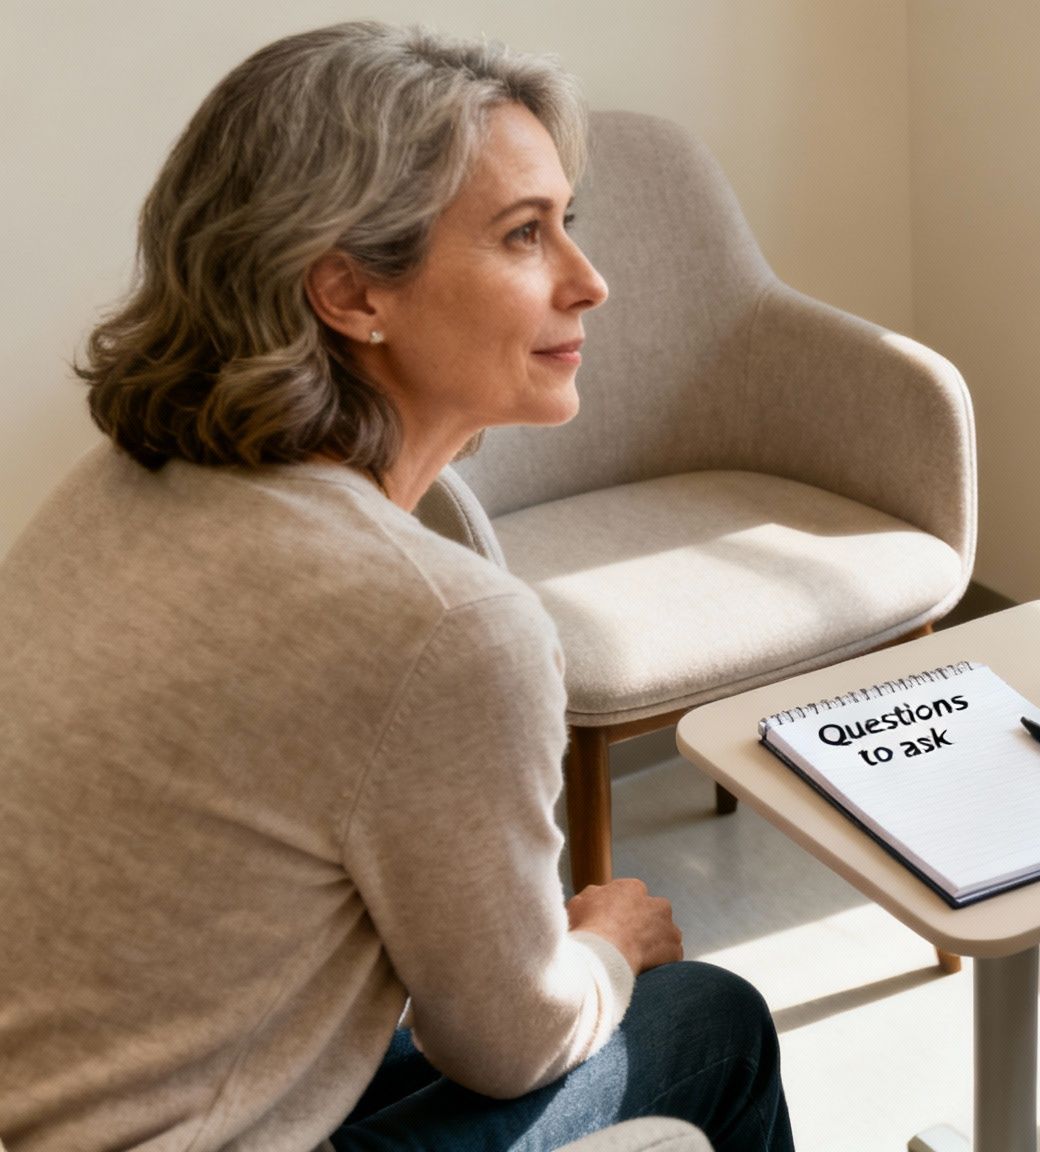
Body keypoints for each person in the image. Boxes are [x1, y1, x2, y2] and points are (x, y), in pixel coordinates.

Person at [0, 23, 793, 1152]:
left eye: (570, 224)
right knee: (709, 1017)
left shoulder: (119, 483)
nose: (591, 281)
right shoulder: (439, 623)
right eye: (526, 235)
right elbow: (511, 1046)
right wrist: (608, 944)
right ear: (349, 292)